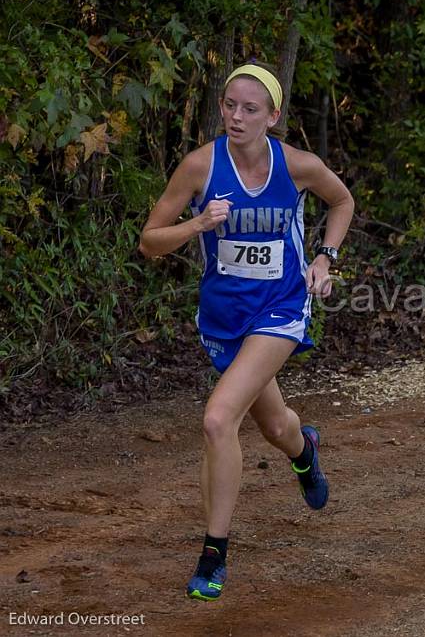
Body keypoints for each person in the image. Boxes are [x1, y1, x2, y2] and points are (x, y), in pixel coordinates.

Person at [138, 61, 354, 601]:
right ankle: (303, 450)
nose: (236, 116)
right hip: (223, 319)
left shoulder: (298, 165)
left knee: (217, 419)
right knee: (275, 424)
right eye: (229, 106)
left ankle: (214, 555)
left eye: (249, 109)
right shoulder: (199, 167)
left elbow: (342, 200)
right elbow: (150, 241)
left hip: (281, 307)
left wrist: (325, 259)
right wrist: (199, 223)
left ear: (273, 116)